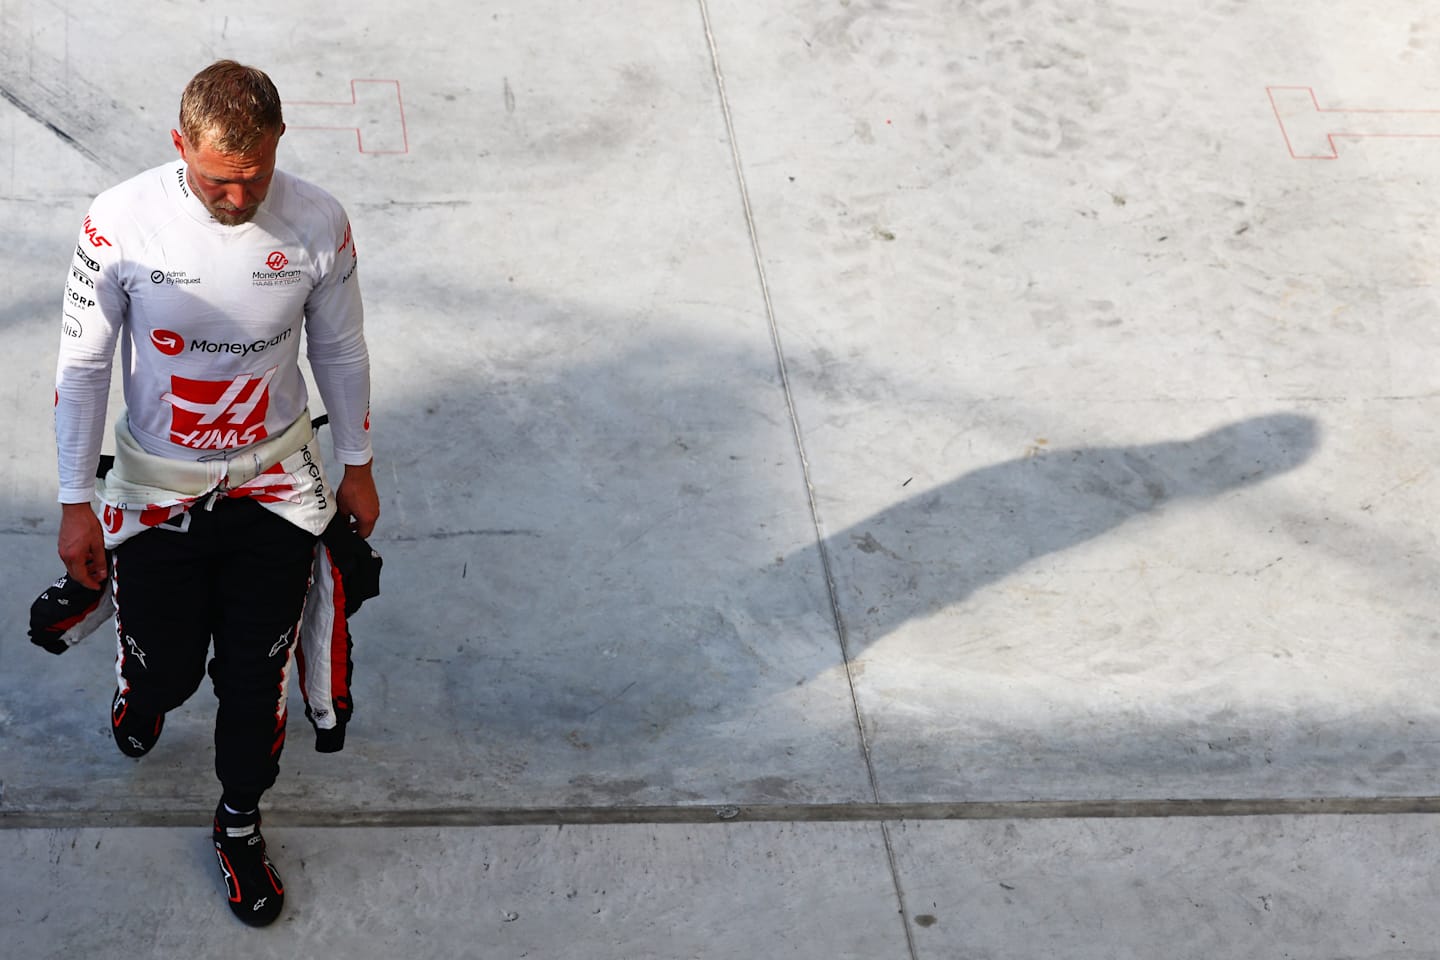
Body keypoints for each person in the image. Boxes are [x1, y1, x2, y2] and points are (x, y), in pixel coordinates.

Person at [54, 60, 378, 927]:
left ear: (278, 148)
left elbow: (340, 352)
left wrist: (358, 463)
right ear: (179, 147)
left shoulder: (317, 222)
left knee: (254, 671)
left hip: (273, 484)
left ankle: (239, 822)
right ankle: (140, 683)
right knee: (170, 668)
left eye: (256, 177)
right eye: (218, 182)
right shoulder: (119, 223)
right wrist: (74, 500)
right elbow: (82, 369)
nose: (239, 200)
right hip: (157, 487)